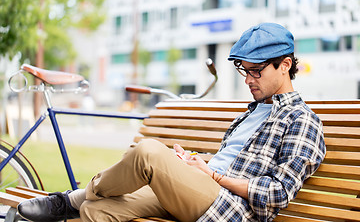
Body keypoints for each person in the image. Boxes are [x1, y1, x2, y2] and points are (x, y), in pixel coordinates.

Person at [17, 23, 326, 222]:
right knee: (97, 210)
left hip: (228, 207)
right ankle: (78, 203)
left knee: (148, 151)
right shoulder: (253, 110)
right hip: (199, 188)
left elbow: (277, 194)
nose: (248, 79)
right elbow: (230, 163)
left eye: (256, 71)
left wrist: (212, 176)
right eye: (243, 70)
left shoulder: (301, 121)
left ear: (285, 65)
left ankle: (66, 199)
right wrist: (193, 162)